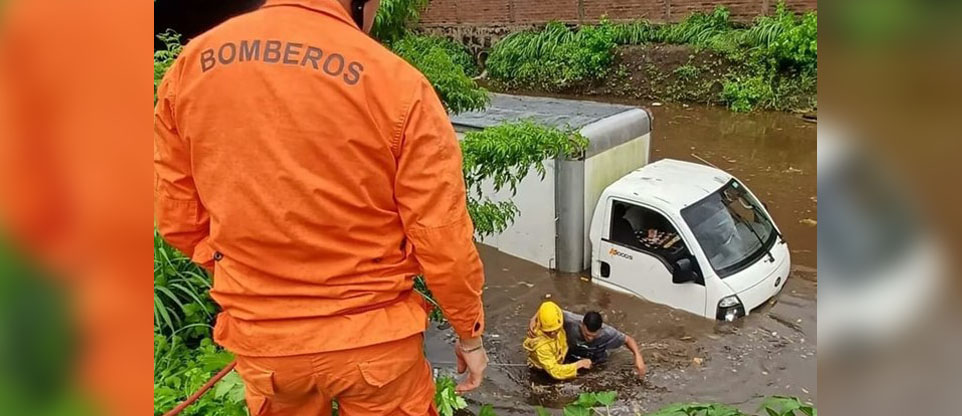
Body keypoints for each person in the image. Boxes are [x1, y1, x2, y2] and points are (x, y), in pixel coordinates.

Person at [153, 0, 487, 414]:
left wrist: (248, 276)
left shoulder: (191, 66)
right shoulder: (396, 81)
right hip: (374, 344)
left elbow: (177, 218)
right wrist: (468, 333)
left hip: (269, 348)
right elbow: (442, 237)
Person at [563, 311, 647, 378]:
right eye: (587, 335)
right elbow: (552, 311)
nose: (590, 339)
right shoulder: (569, 320)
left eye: (594, 336)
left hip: (596, 360)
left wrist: (638, 356)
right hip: (571, 353)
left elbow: (628, 340)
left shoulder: (607, 332)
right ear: (582, 325)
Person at [523, 301, 593, 380]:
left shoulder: (555, 316)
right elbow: (555, 371)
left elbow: (547, 307)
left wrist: (534, 317)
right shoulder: (541, 346)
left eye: (556, 330)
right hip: (545, 369)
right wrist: (578, 365)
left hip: (560, 352)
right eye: (548, 331)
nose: (553, 334)